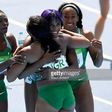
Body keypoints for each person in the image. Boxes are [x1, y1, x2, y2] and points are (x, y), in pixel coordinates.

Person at [6, 13, 91, 112]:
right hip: (67, 94)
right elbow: (87, 43)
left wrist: (41, 61)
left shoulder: (28, 51)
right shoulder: (62, 41)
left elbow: (11, 78)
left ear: (30, 33)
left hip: (49, 95)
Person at [58, 2, 103, 112]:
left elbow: (97, 64)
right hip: (60, 81)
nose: (69, 20)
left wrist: (100, 51)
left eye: (73, 17)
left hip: (80, 81)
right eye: (66, 17)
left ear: (78, 18)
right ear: (59, 18)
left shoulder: (87, 35)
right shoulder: (55, 36)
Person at [0, 10, 25, 112]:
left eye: (6, 20)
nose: (5, 23)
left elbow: (16, 62)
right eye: (0, 21)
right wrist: (10, 61)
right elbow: (12, 61)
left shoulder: (10, 39)